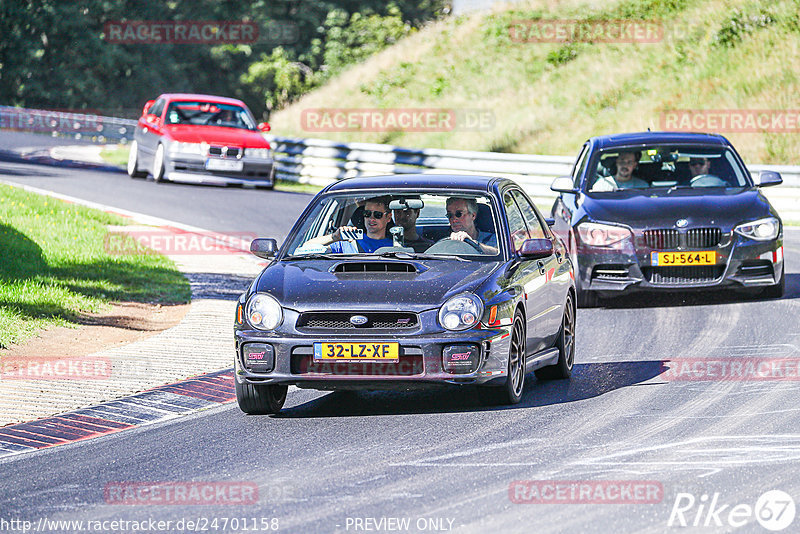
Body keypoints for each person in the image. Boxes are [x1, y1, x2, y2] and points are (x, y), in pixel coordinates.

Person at [305, 196, 393, 253]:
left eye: (378, 215)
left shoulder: (396, 247)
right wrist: (333, 237)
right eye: (367, 214)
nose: (371, 219)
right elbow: (306, 248)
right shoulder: (349, 242)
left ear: (388, 218)